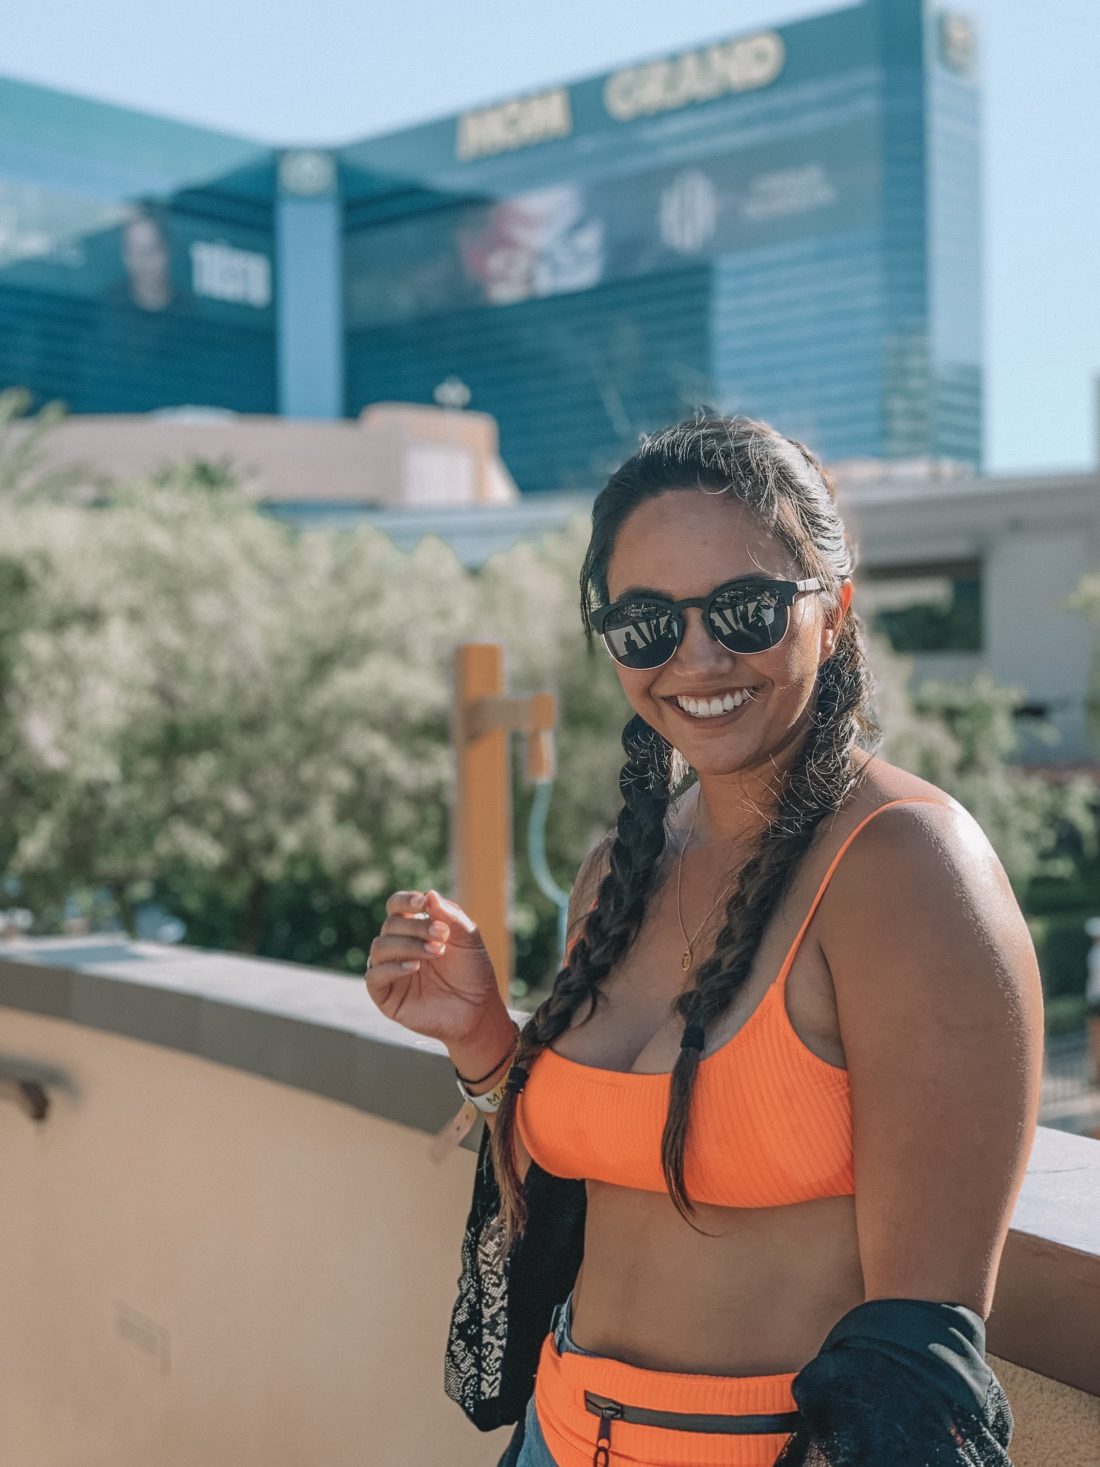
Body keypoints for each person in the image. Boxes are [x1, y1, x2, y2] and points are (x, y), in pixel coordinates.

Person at [365, 416, 1040, 1466]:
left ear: (835, 608)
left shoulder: (906, 869)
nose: (697, 655)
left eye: (746, 608)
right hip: (553, 1433)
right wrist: (485, 1041)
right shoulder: (621, 867)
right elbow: (579, 1182)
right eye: (644, 622)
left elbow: (916, 1355)